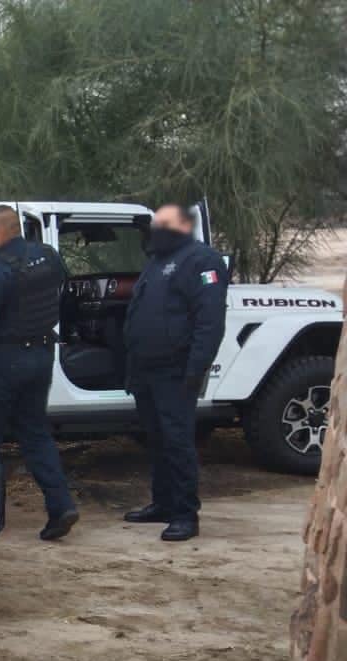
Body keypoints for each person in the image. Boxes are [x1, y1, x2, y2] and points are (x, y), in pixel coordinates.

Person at [0, 204, 78, 541]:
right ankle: (61, 505)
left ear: (2, 231)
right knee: (36, 434)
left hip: (3, 362)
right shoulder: (49, 258)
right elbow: (64, 295)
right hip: (40, 356)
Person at [121, 204, 229, 542]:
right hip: (146, 369)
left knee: (177, 441)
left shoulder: (202, 260)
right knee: (156, 441)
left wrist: (196, 368)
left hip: (176, 370)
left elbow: (209, 322)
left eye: (164, 224)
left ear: (184, 224)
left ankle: (185, 514)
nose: (157, 230)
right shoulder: (157, 261)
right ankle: (163, 503)